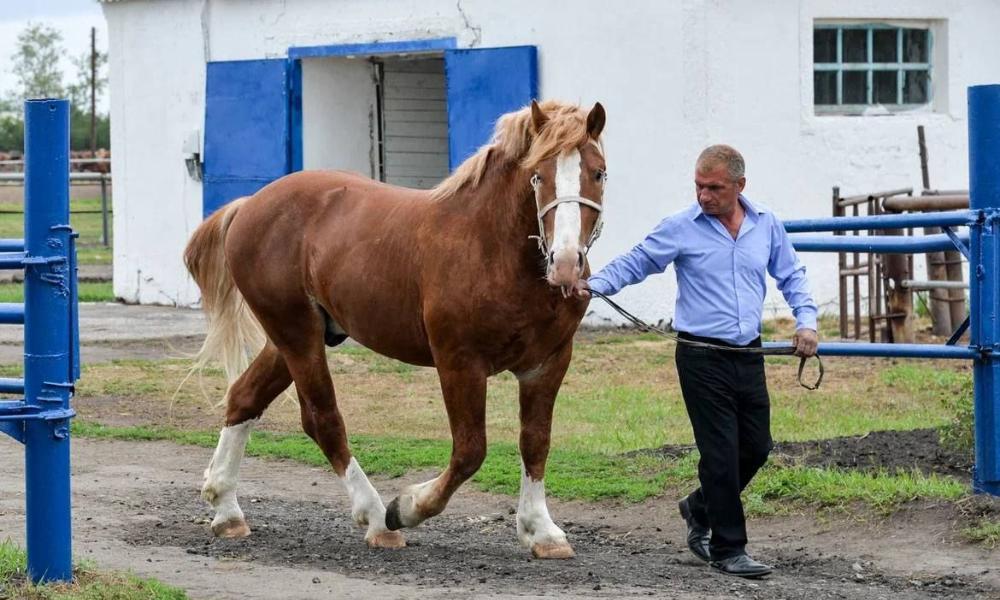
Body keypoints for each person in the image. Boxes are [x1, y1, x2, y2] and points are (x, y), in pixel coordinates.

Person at [576, 145, 818, 578]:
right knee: (720, 454)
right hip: (701, 356)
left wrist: (808, 322)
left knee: (757, 447)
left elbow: (791, 274)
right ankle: (728, 548)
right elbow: (639, 261)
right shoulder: (681, 227)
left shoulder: (765, 224)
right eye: (699, 186)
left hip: (749, 352)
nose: (704, 196)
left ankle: (698, 506)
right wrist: (593, 285)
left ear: (739, 186)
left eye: (714, 188)